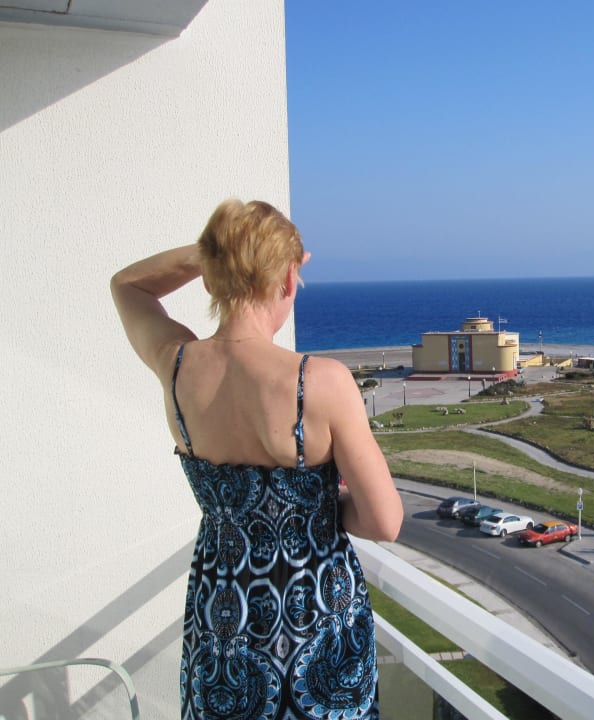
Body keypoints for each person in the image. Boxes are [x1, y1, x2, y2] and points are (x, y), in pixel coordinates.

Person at [111, 199, 403, 719]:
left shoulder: (175, 364)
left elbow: (127, 285)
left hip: (222, 626)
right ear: (288, 280)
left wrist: (215, 254)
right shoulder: (322, 381)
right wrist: (319, 510)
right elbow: (385, 521)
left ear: (212, 278)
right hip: (317, 623)